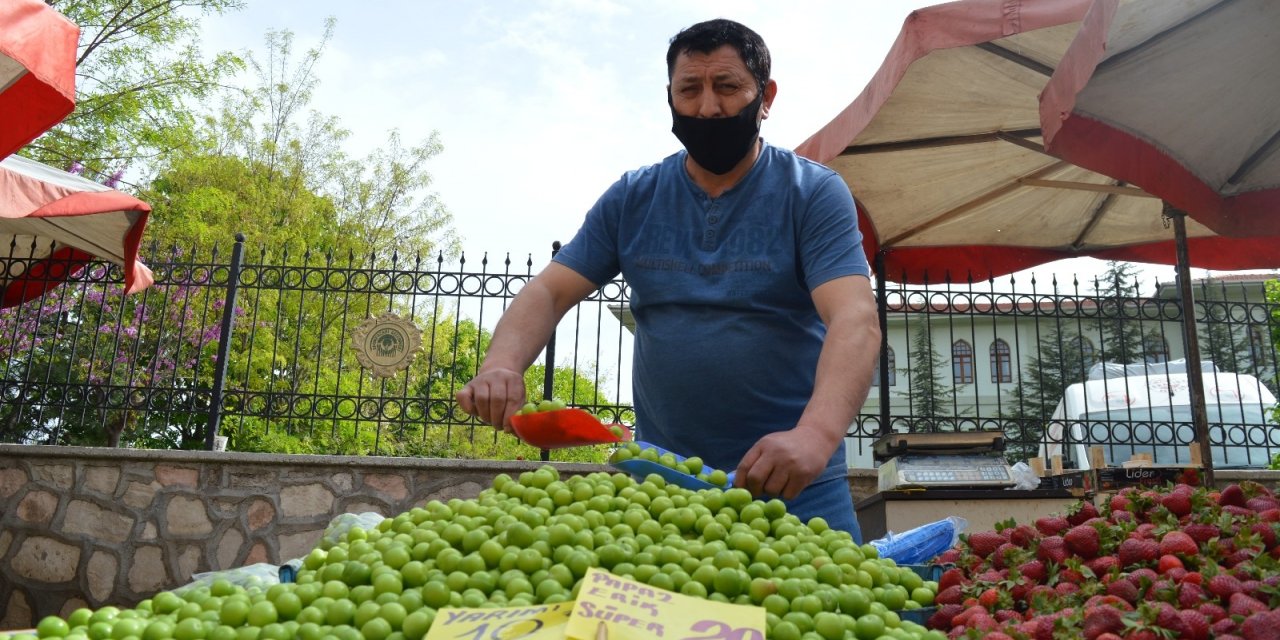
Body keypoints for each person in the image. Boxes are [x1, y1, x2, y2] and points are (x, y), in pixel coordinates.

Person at [456, 18, 879, 541]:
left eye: (727, 87)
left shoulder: (813, 194)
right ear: (670, 97)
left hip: (795, 486)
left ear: (764, 97)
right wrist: (501, 364)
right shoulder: (634, 196)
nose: (707, 108)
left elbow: (855, 317)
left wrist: (815, 435)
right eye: (689, 90)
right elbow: (548, 290)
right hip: (660, 489)